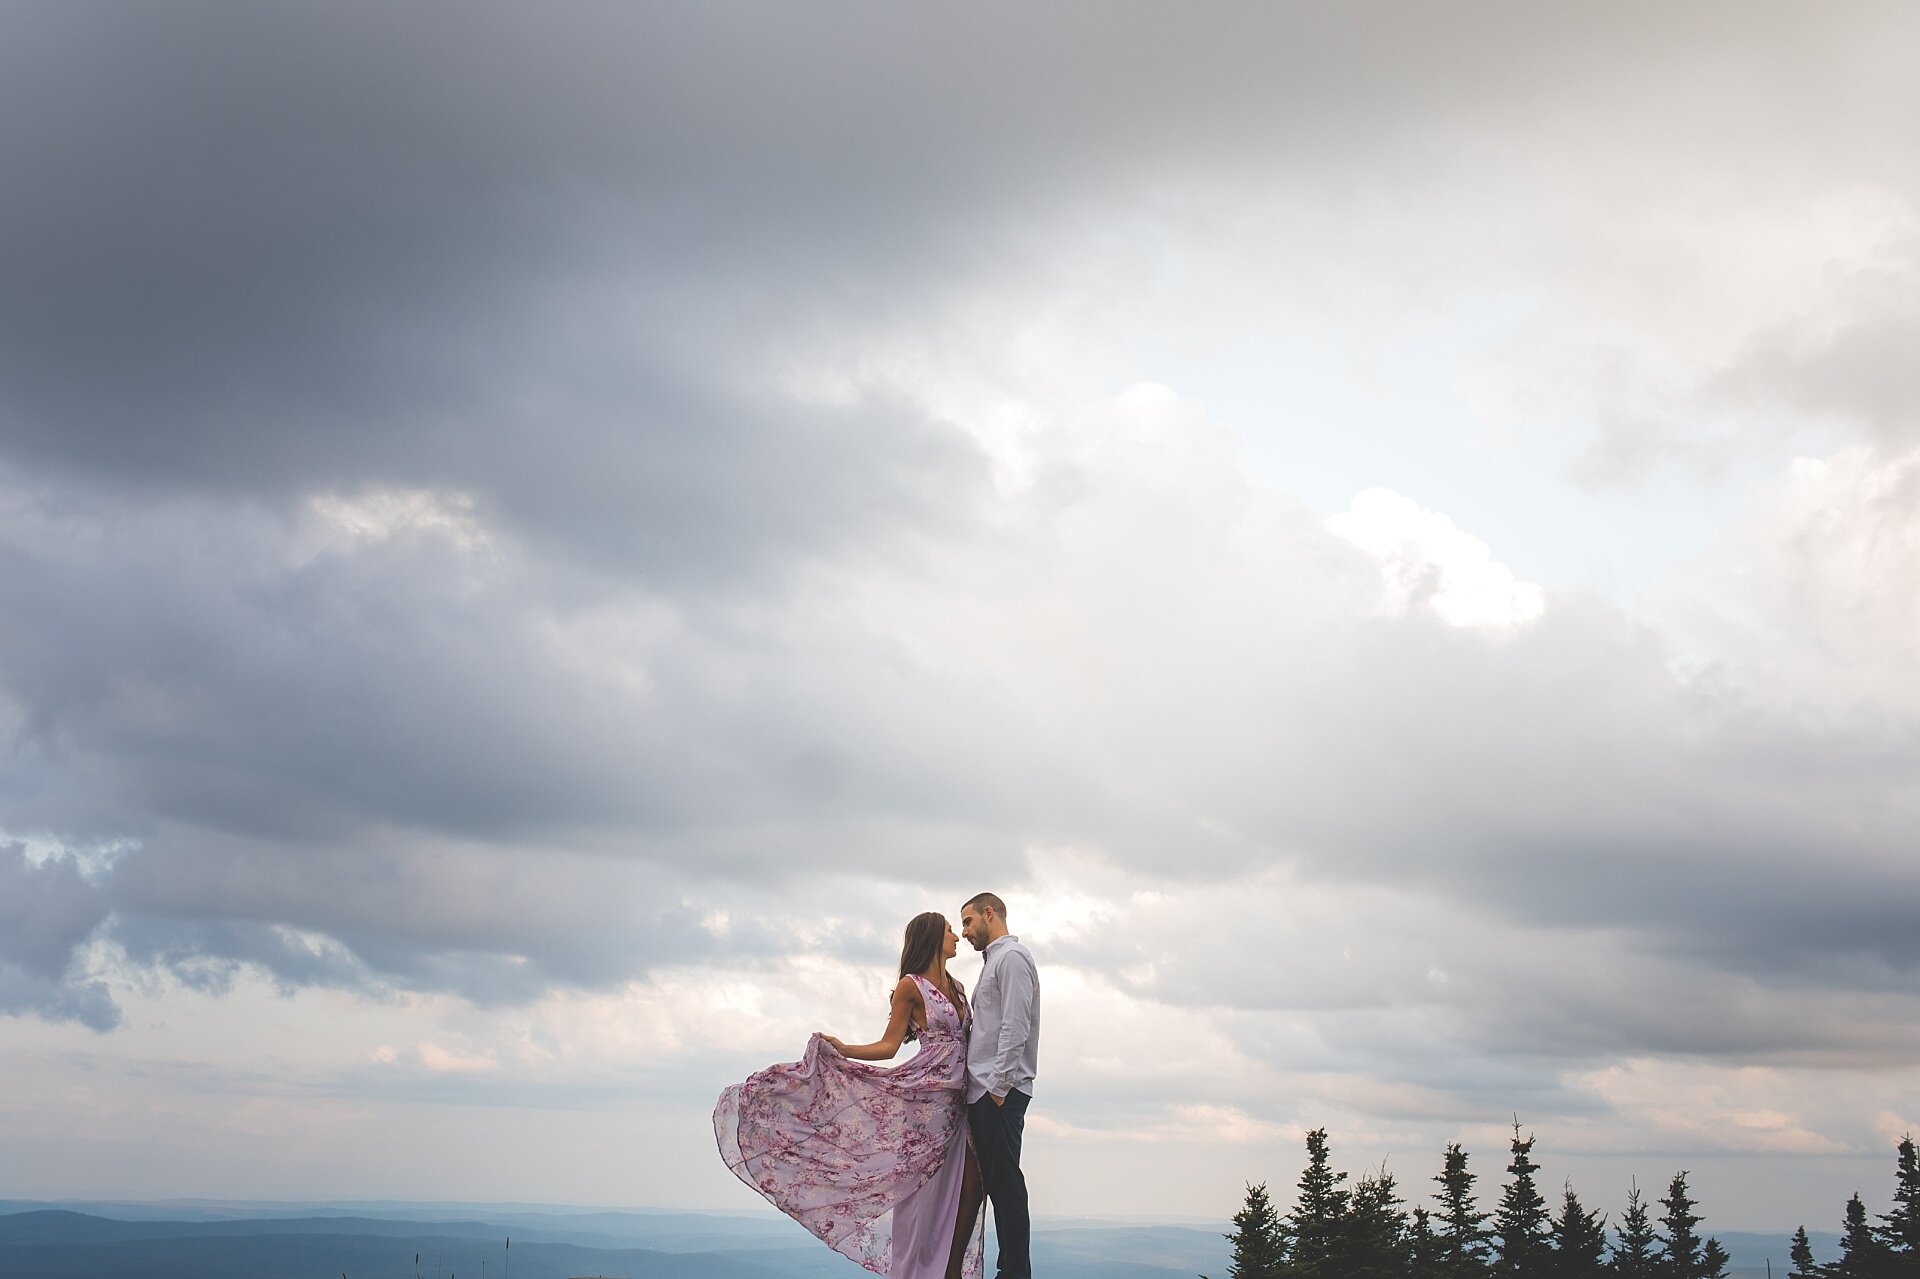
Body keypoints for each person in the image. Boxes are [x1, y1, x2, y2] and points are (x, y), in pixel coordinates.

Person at [714, 912, 984, 1279]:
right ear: (933, 936)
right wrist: (845, 1049)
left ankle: (951, 1271)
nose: (957, 935)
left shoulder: (958, 986)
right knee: (920, 1191)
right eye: (951, 929)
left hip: (961, 1098)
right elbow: (890, 1046)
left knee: (970, 1185)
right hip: (927, 1099)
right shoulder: (911, 986)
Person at [959, 892, 1039, 1279]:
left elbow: (1015, 1024)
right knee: (996, 1179)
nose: (965, 932)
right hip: (989, 1090)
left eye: (969, 922)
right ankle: (1010, 1267)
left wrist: (998, 1087)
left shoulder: (1011, 959)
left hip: (999, 1091)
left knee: (1005, 1178)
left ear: (989, 913)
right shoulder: (995, 961)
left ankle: (1015, 1271)